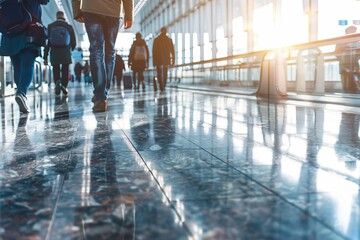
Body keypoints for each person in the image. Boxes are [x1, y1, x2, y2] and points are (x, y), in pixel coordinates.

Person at [72, 0, 134, 112]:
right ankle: (103, 93)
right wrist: (128, 15)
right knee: (110, 52)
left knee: (96, 50)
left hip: (91, 8)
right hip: (113, 11)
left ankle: (100, 96)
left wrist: (77, 10)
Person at [0, 0, 49, 113]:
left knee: (17, 66)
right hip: (29, 29)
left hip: (10, 32)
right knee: (28, 63)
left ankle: (20, 93)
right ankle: (21, 93)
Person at [44, 11, 77, 96]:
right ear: (63, 16)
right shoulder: (69, 27)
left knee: (56, 69)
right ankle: (64, 85)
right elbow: (74, 42)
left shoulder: (50, 26)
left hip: (54, 52)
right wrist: (70, 49)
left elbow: (47, 43)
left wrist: (45, 57)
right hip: (66, 52)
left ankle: (57, 82)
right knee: (65, 69)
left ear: (56, 16)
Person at [335, 25, 360, 93]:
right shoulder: (341, 40)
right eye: (351, 31)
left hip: (355, 64)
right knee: (346, 85)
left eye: (354, 31)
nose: (353, 32)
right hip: (344, 65)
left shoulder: (357, 41)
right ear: (347, 32)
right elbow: (337, 53)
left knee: (356, 85)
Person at [152, 27, 175, 92]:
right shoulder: (169, 40)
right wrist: (173, 60)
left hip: (158, 60)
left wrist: (154, 62)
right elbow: (172, 51)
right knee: (165, 73)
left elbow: (154, 51)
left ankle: (161, 86)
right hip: (166, 59)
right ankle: (163, 85)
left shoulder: (156, 40)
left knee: (159, 73)